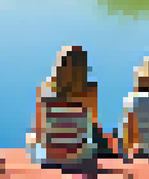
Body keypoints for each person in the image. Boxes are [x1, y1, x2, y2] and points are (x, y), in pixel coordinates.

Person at [26, 45, 109, 174]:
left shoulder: (45, 89)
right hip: (77, 157)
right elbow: (92, 122)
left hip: (51, 158)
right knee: (92, 136)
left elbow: (38, 129)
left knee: (31, 138)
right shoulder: (90, 90)